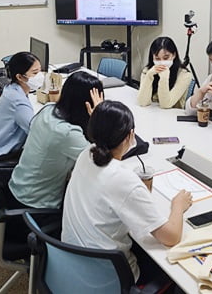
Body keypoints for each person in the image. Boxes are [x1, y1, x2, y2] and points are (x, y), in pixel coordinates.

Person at [62, 100, 193, 284]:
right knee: (175, 273)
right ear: (130, 135)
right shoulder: (123, 179)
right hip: (108, 276)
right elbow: (171, 237)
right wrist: (178, 206)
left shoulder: (88, 153)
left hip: (71, 261)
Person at [8, 71, 104, 209]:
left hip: (19, 186)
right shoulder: (67, 133)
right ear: (87, 104)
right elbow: (99, 161)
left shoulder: (48, 109)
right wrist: (98, 117)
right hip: (36, 203)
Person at [0, 52, 43, 163]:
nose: (40, 76)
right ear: (20, 77)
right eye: (35, 73)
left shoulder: (11, 89)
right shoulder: (18, 102)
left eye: (40, 70)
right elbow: (37, 133)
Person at [137, 36, 193, 109]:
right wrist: (149, 76)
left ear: (174, 55)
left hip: (172, 115)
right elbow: (142, 102)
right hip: (152, 112)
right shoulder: (148, 70)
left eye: (166, 58)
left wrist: (164, 78)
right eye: (157, 58)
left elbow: (166, 105)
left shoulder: (184, 75)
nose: (162, 62)